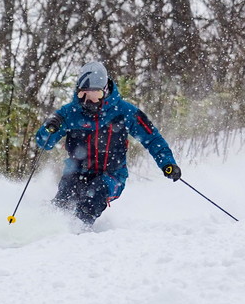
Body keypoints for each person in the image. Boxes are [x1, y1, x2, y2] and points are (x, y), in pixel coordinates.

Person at [35, 60, 181, 227]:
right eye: (84, 94)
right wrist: (50, 127)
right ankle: (43, 228)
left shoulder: (125, 111)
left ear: (105, 90)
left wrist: (167, 164)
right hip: (76, 172)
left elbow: (152, 138)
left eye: (95, 95)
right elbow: (43, 144)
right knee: (63, 200)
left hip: (111, 174)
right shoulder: (69, 112)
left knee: (94, 195)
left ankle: (78, 231)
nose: (89, 101)